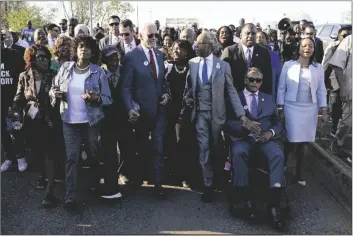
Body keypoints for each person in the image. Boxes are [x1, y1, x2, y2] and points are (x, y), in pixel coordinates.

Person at [183, 31, 260, 202]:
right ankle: (207, 184)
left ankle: (220, 179)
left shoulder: (223, 66)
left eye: (200, 43)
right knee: (203, 148)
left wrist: (242, 116)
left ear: (210, 45)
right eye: (196, 43)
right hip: (200, 114)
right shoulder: (192, 64)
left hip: (218, 114)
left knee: (217, 148)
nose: (196, 46)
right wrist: (187, 99)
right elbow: (189, 87)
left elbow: (232, 92)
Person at [50, 35, 112, 210]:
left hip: (91, 121)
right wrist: (55, 94)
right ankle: (70, 196)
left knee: (93, 154)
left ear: (93, 52)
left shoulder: (98, 71)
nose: (83, 49)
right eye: (80, 46)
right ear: (75, 50)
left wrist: (96, 97)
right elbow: (52, 88)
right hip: (69, 120)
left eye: (87, 47)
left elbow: (108, 99)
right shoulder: (65, 68)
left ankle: (93, 184)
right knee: (71, 157)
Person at [224, 67, 285, 231]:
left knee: (278, 154)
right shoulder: (235, 97)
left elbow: (278, 123)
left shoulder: (268, 98)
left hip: (264, 140)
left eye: (258, 80)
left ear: (261, 82)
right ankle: (245, 200)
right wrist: (244, 127)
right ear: (245, 80)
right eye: (251, 79)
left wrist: (270, 133)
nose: (254, 83)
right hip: (243, 139)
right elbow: (227, 122)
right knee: (239, 152)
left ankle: (274, 204)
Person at [122, 23, 170, 198]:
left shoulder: (159, 55)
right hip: (141, 112)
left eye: (155, 35)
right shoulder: (131, 57)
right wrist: (129, 108)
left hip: (159, 111)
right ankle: (138, 178)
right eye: (150, 36)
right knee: (141, 146)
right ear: (140, 35)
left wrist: (166, 94)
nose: (154, 38)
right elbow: (126, 87)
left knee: (158, 145)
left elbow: (162, 82)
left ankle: (158, 184)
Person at [277, 37, 328, 186]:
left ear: (314, 49)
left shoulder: (318, 67)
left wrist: (323, 109)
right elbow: (281, 88)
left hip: (309, 109)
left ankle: (299, 172)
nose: (307, 48)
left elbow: (321, 90)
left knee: (304, 143)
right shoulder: (288, 65)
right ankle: (282, 166)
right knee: (290, 141)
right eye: (304, 46)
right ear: (298, 48)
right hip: (291, 107)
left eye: (310, 46)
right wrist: (280, 107)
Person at [12, 44, 58, 207]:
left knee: (49, 153)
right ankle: (41, 175)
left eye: (47, 57)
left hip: (50, 120)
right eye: (41, 57)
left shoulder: (53, 75)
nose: (45, 60)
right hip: (31, 121)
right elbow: (18, 97)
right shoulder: (24, 76)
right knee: (36, 151)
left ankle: (50, 191)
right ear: (31, 58)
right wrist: (16, 110)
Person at [164, 40, 194, 187]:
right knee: (171, 143)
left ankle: (186, 176)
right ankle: (172, 174)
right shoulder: (168, 67)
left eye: (180, 49)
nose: (176, 51)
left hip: (186, 112)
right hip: (170, 111)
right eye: (174, 49)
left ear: (187, 52)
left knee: (185, 143)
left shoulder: (192, 69)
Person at [0, 33, 27, 173]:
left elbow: (23, 77)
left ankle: (21, 156)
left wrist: (20, 98)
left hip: (13, 100)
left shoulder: (15, 55)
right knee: (2, 131)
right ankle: (9, 157)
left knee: (16, 129)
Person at [100, 45, 124, 200]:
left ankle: (124, 175)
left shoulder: (125, 72)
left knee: (126, 149)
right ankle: (111, 186)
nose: (114, 62)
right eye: (110, 58)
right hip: (106, 118)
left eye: (116, 57)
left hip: (123, 117)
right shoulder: (101, 74)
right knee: (109, 152)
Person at [221, 23, 273, 95]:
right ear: (240, 35)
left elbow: (268, 78)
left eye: (253, 33)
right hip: (235, 97)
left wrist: (266, 98)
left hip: (257, 98)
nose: (250, 36)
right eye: (247, 33)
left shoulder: (264, 52)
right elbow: (222, 78)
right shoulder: (229, 51)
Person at [329, 34, 352, 160]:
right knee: (347, 122)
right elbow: (337, 66)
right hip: (350, 89)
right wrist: (342, 88)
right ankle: (337, 142)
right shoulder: (349, 40)